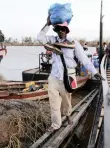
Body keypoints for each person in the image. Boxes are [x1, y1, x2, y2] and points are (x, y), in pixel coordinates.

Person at [37, 16, 104, 132]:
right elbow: (39, 37)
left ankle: (68, 115)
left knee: (67, 100)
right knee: (54, 103)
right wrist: (47, 24)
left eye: (63, 29)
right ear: (56, 30)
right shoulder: (52, 40)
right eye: (58, 29)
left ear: (67, 31)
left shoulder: (73, 43)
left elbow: (84, 59)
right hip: (54, 77)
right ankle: (56, 125)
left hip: (67, 77)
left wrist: (94, 72)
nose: (61, 31)